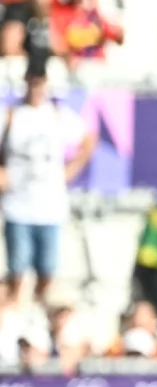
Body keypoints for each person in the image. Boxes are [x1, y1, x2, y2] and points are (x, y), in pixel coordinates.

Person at [0, 57, 92, 307]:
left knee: (47, 274)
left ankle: (39, 318)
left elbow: (88, 139)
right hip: (18, 205)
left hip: (49, 207)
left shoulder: (58, 115)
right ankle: (15, 318)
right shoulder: (11, 115)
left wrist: (70, 170)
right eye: (32, 81)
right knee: (17, 272)